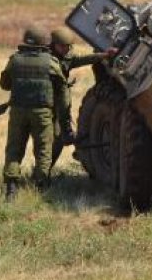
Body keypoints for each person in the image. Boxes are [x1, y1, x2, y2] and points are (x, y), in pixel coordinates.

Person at [0, 27, 69, 201]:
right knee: (43, 149)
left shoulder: (14, 60)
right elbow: (62, 89)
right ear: (43, 42)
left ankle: (11, 189)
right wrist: (64, 118)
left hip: (17, 111)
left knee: (14, 149)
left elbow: (5, 85)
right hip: (42, 113)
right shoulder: (51, 62)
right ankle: (40, 186)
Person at [48, 26, 115, 175]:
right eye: (62, 46)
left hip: (58, 105)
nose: (66, 50)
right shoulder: (44, 58)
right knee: (47, 140)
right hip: (44, 105)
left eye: (68, 46)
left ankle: (43, 174)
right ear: (53, 44)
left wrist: (103, 55)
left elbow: (81, 59)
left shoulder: (67, 57)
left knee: (58, 139)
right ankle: (39, 175)